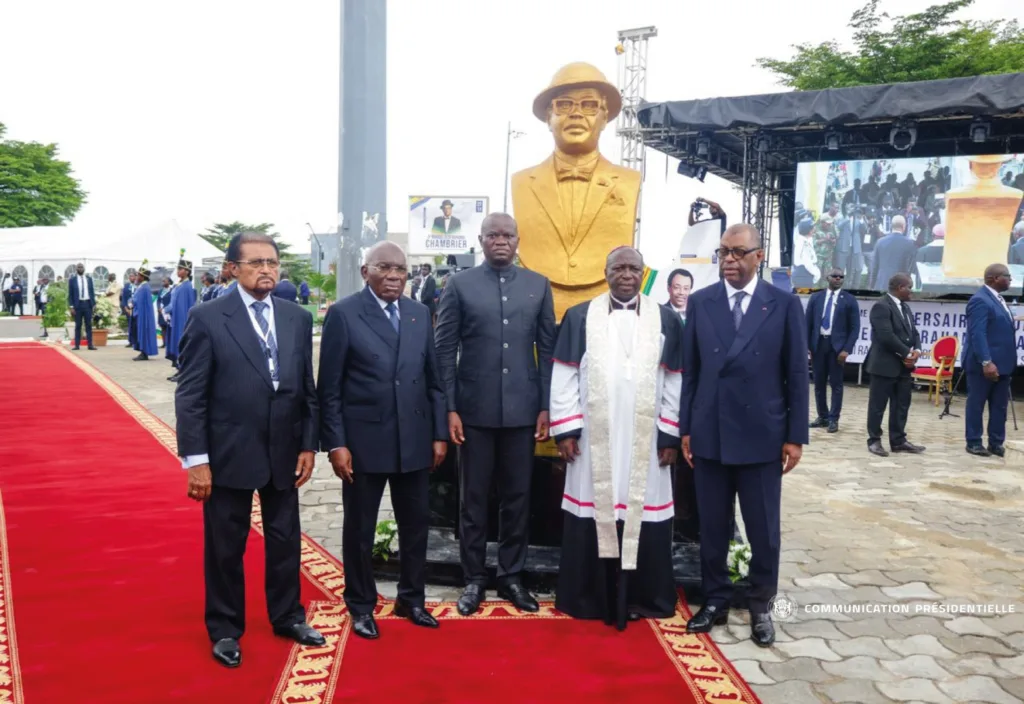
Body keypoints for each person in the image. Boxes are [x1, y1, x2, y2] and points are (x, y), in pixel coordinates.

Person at [175, 232, 325, 668]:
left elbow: (306, 390)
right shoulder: (208, 317)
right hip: (228, 454)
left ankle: (287, 616)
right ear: (233, 269)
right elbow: (190, 395)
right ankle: (224, 628)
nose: (267, 270)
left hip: (284, 451)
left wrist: (308, 445)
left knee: (286, 541)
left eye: (273, 263)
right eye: (256, 262)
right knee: (225, 546)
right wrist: (197, 460)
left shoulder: (296, 317)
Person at [680, 223, 808, 647]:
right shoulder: (702, 303)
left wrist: (795, 436)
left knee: (762, 529)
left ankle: (760, 604)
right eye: (723, 253)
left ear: (759, 256)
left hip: (762, 437)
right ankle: (714, 599)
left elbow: (795, 374)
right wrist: (685, 429)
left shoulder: (784, 305)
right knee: (713, 526)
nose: (729, 260)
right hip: (710, 434)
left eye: (737, 252)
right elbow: (691, 374)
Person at [317, 241, 448, 640]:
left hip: (413, 439)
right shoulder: (344, 314)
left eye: (401, 270)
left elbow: (433, 381)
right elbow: (330, 388)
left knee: (416, 526)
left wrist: (439, 433)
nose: (394, 276)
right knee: (360, 528)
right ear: (365, 272)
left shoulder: (419, 313)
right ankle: (360, 604)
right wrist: (336, 443)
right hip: (363, 443)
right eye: (385, 268)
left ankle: (412, 598)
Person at [551, 246, 682, 630]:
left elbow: (675, 378)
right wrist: (567, 428)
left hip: (646, 438)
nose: (626, 274)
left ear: (644, 274)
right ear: (605, 271)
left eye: (634, 269)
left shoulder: (667, 320)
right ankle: (589, 597)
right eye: (619, 267)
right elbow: (564, 376)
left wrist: (669, 433)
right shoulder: (579, 317)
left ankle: (643, 595)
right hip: (595, 440)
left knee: (643, 511)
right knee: (595, 507)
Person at [434, 212, 556, 616]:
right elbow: (444, 351)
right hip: (473, 413)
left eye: (508, 235)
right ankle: (473, 579)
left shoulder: (538, 285)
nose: (500, 241)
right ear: (481, 240)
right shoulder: (460, 285)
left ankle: (511, 577)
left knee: (518, 498)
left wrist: (545, 405)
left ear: (518, 240)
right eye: (493, 235)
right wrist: (450, 407)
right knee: (472, 499)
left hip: (522, 413)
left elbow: (548, 351)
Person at [864, 273, 926, 457]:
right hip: (884, 366)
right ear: (900, 288)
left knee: (901, 405)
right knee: (878, 405)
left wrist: (917, 351)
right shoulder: (881, 306)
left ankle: (898, 440)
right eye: (910, 287)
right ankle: (874, 440)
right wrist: (906, 353)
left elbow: (914, 333)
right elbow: (886, 336)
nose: (912, 291)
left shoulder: (905, 307)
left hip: (903, 367)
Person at [963, 264, 1017, 457]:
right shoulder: (980, 300)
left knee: (999, 407)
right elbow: (978, 333)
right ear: (994, 278)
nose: (1011, 279)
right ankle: (974, 441)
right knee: (977, 404)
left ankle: (996, 442)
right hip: (984, 365)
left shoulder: (999, 299)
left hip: (1003, 365)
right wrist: (986, 361)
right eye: (1007, 276)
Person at [806, 269, 861, 433]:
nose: (838, 279)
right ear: (827, 278)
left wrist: (847, 349)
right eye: (835, 276)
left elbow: (855, 328)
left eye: (841, 277)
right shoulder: (816, 297)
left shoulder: (849, 300)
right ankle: (822, 416)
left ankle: (833, 419)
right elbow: (807, 322)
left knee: (836, 384)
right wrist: (807, 345)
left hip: (837, 348)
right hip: (818, 345)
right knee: (818, 383)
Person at [869, 216, 918, 291]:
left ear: (891, 226)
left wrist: (872, 285)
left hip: (881, 285)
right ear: (904, 226)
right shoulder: (910, 244)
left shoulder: (880, 242)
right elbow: (912, 268)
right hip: (901, 287)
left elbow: (874, 266)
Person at [166, 257, 197, 380]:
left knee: (182, 343)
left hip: (182, 319)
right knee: (177, 343)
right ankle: (179, 368)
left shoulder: (186, 286)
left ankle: (183, 371)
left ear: (187, 271)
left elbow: (185, 306)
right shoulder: (179, 284)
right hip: (175, 318)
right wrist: (167, 311)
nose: (178, 271)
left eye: (181, 269)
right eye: (178, 269)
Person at [130, 265, 159, 361]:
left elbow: (138, 301)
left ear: (142, 277)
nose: (136, 277)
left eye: (138, 275)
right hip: (139, 312)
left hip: (141, 314)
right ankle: (142, 351)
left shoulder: (144, 287)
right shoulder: (142, 286)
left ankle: (144, 353)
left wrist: (131, 302)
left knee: (143, 332)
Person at [68, 263, 96, 350]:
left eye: (81, 267)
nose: (80, 268)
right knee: (78, 325)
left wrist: (93, 304)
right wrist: (71, 307)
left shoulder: (89, 279)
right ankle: (77, 345)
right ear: (76, 269)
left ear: (84, 269)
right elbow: (70, 294)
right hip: (78, 305)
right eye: (78, 267)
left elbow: (92, 292)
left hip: (87, 304)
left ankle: (90, 345)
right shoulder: (72, 280)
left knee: (88, 325)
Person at [121, 272, 137, 349]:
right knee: (130, 325)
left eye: (133, 276)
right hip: (128, 308)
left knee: (136, 325)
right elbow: (123, 297)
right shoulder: (126, 286)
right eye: (130, 276)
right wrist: (125, 307)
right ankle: (131, 341)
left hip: (136, 308)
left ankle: (137, 341)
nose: (132, 278)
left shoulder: (138, 286)